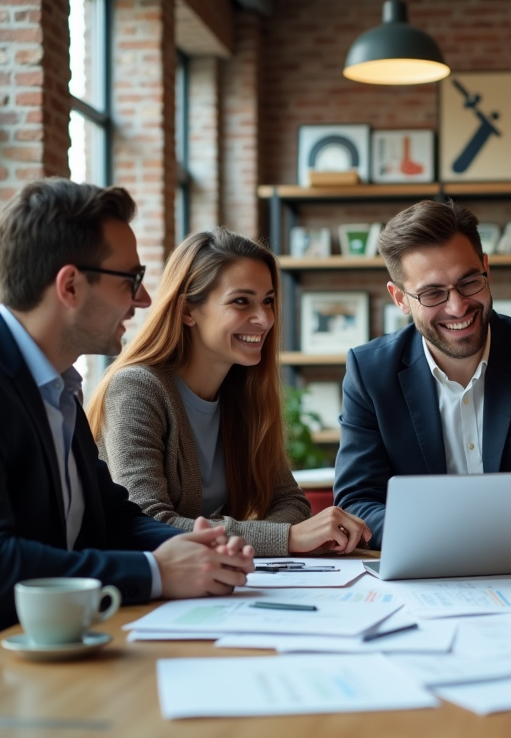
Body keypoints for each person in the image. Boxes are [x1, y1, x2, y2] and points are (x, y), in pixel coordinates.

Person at [0, 179, 255, 684]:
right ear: (70, 286)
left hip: (43, 656)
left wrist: (192, 541)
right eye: (131, 278)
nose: (145, 298)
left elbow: (112, 519)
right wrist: (155, 572)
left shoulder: (57, 386)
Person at [87, 228, 370, 556]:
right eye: (241, 302)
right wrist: (286, 538)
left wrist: (284, 534)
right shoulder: (137, 389)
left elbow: (289, 502)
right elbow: (147, 523)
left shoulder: (244, 393)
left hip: (206, 580)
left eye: (268, 301)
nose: (264, 319)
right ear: (187, 311)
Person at [334, 199, 511, 551]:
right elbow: (357, 501)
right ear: (400, 298)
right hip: (419, 568)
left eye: (469, 282)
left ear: (486, 268)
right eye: (432, 293)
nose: (457, 307)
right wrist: (447, 540)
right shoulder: (369, 373)